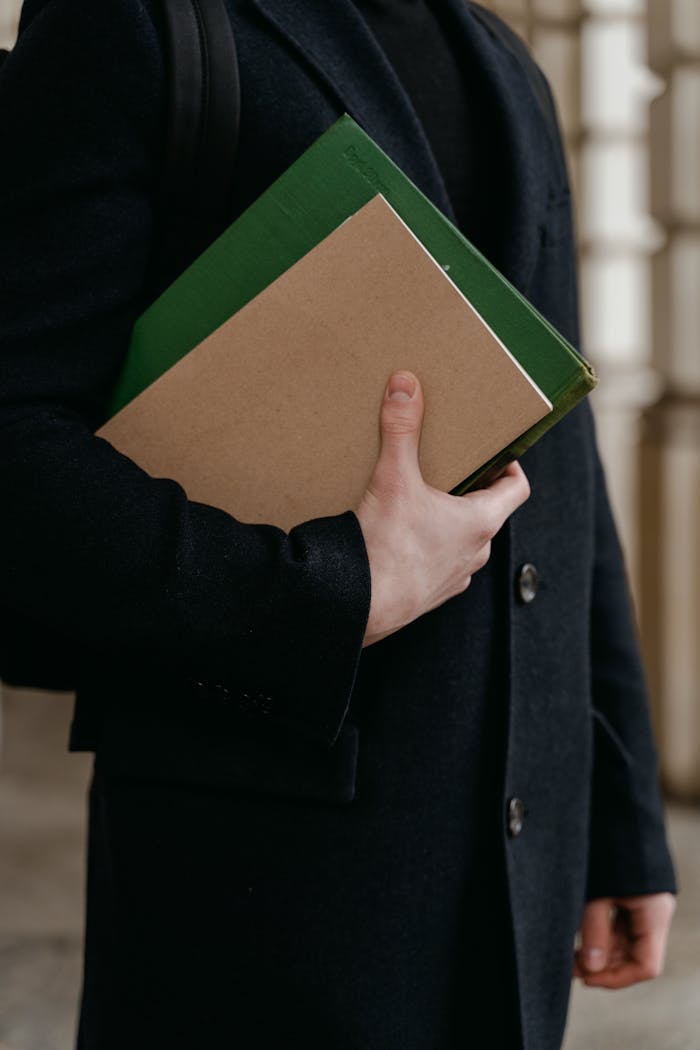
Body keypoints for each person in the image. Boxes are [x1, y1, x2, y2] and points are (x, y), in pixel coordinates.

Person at [0, 1, 678, 1048]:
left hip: (515, 872)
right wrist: (332, 587)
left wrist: (620, 813)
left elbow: (559, 461)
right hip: (261, 883)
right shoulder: (130, 22)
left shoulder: (503, 58)